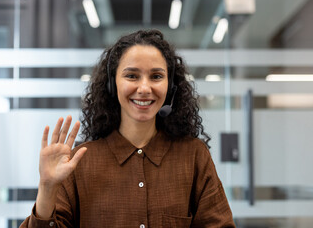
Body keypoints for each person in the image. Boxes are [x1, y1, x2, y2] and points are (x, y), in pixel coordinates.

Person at [20, 29, 235, 228]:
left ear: (170, 87)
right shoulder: (79, 162)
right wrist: (47, 189)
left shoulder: (193, 156)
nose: (144, 88)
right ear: (112, 85)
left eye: (156, 76)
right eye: (132, 76)